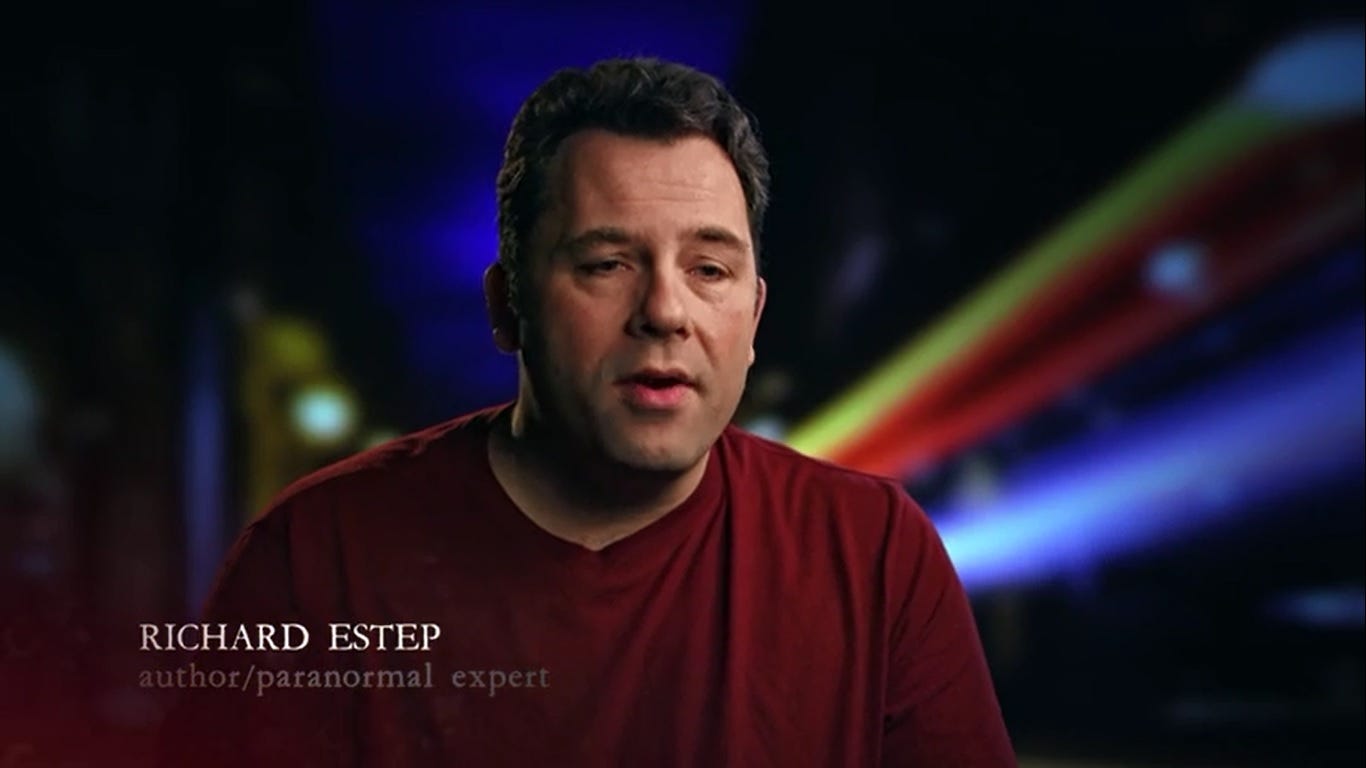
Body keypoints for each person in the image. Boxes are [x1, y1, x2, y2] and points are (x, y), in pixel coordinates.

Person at [160, 57, 1015, 767]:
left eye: (709, 270)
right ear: (508, 307)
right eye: (607, 264)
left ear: (754, 316)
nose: (665, 311)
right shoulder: (315, 560)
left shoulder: (874, 555)